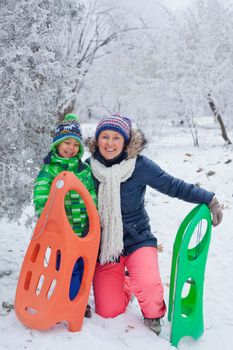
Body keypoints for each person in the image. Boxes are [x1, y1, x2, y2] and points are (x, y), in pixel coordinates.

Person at [87, 114, 223, 335]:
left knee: (150, 292)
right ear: (97, 140)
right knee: (108, 310)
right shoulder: (88, 169)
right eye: (104, 137)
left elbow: (173, 185)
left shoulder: (139, 166)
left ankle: (148, 303)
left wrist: (209, 199)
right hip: (107, 247)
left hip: (137, 239)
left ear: (126, 141)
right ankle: (126, 282)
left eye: (116, 138)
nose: (110, 143)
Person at [33, 113, 97, 318]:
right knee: (67, 268)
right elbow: (41, 198)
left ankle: (78, 300)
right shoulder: (49, 170)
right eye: (66, 143)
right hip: (61, 231)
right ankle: (70, 302)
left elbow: (91, 197)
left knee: (81, 266)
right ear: (57, 145)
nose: (71, 148)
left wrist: (92, 220)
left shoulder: (83, 170)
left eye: (76, 145)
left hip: (82, 230)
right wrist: (48, 222)